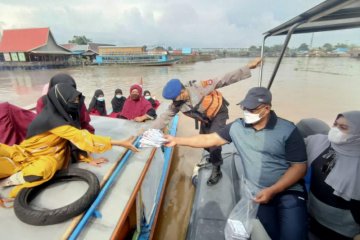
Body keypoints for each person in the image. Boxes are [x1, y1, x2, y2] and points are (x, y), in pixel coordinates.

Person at [164, 87, 308, 240]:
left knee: (293, 235)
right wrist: (176, 140)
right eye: (244, 107)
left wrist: (273, 190)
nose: (246, 111)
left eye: (252, 109)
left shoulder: (288, 130)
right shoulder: (237, 127)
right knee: (270, 233)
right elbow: (208, 139)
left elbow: (299, 168)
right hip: (257, 192)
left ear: (266, 109)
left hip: (288, 192)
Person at [0, 83, 138, 198]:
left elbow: (74, 139)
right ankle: (10, 181)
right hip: (25, 156)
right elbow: (82, 138)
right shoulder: (52, 120)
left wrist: (87, 158)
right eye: (73, 101)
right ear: (61, 100)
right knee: (45, 168)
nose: (76, 104)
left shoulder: (63, 116)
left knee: (49, 165)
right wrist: (120, 143)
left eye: (77, 101)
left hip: (45, 156)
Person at [152, 57, 262, 186]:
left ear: (182, 92)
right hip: (205, 118)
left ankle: (217, 168)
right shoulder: (177, 104)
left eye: (175, 98)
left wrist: (248, 67)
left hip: (218, 113)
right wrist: (145, 132)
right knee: (204, 141)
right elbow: (164, 118)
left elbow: (224, 79)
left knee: (213, 143)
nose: (174, 102)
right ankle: (212, 157)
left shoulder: (200, 87)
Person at [306, 111, 360, 240]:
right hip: (312, 219)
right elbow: (291, 148)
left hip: (342, 232)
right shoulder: (320, 143)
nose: (335, 130)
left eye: (343, 127)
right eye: (335, 125)